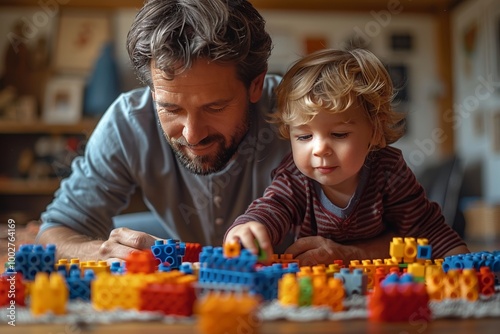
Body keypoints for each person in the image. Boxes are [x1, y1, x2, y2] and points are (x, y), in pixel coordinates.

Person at [35, 0, 406, 263]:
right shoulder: (127, 121)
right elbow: (58, 229)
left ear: (257, 85)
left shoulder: (309, 115)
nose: (192, 134)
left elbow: (411, 227)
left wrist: (352, 253)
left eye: (214, 107)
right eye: (170, 108)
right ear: (152, 91)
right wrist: (99, 251)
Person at [225, 48, 470, 265]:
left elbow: (426, 227)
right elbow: (272, 208)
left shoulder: (388, 170)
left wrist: (462, 263)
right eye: (303, 137)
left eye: (339, 134)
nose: (319, 149)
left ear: (373, 132)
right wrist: (250, 226)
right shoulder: (293, 177)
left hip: (385, 284)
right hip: (322, 291)